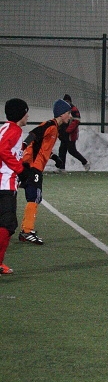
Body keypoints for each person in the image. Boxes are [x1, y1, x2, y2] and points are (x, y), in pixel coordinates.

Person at [19, 99, 74, 245]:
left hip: (33, 166)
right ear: (61, 114)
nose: (70, 116)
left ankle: (25, 230)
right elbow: (33, 134)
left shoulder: (54, 128)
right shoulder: (49, 125)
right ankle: (26, 231)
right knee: (34, 197)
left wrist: (55, 157)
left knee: (27, 196)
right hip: (32, 166)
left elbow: (42, 147)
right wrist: (23, 147)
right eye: (68, 113)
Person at [0, 99, 29, 273]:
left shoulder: (5, 128)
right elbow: (2, 149)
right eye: (26, 112)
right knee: (7, 224)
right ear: (20, 114)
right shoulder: (15, 130)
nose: (28, 116)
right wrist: (20, 170)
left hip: (5, 182)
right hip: (5, 185)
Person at [53, 94, 90, 172]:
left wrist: (68, 131)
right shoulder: (64, 110)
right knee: (62, 150)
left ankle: (85, 162)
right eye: (65, 101)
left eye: (67, 101)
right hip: (64, 134)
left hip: (70, 135)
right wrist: (60, 131)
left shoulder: (73, 109)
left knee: (72, 151)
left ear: (70, 101)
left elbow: (76, 121)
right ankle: (61, 168)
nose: (66, 103)